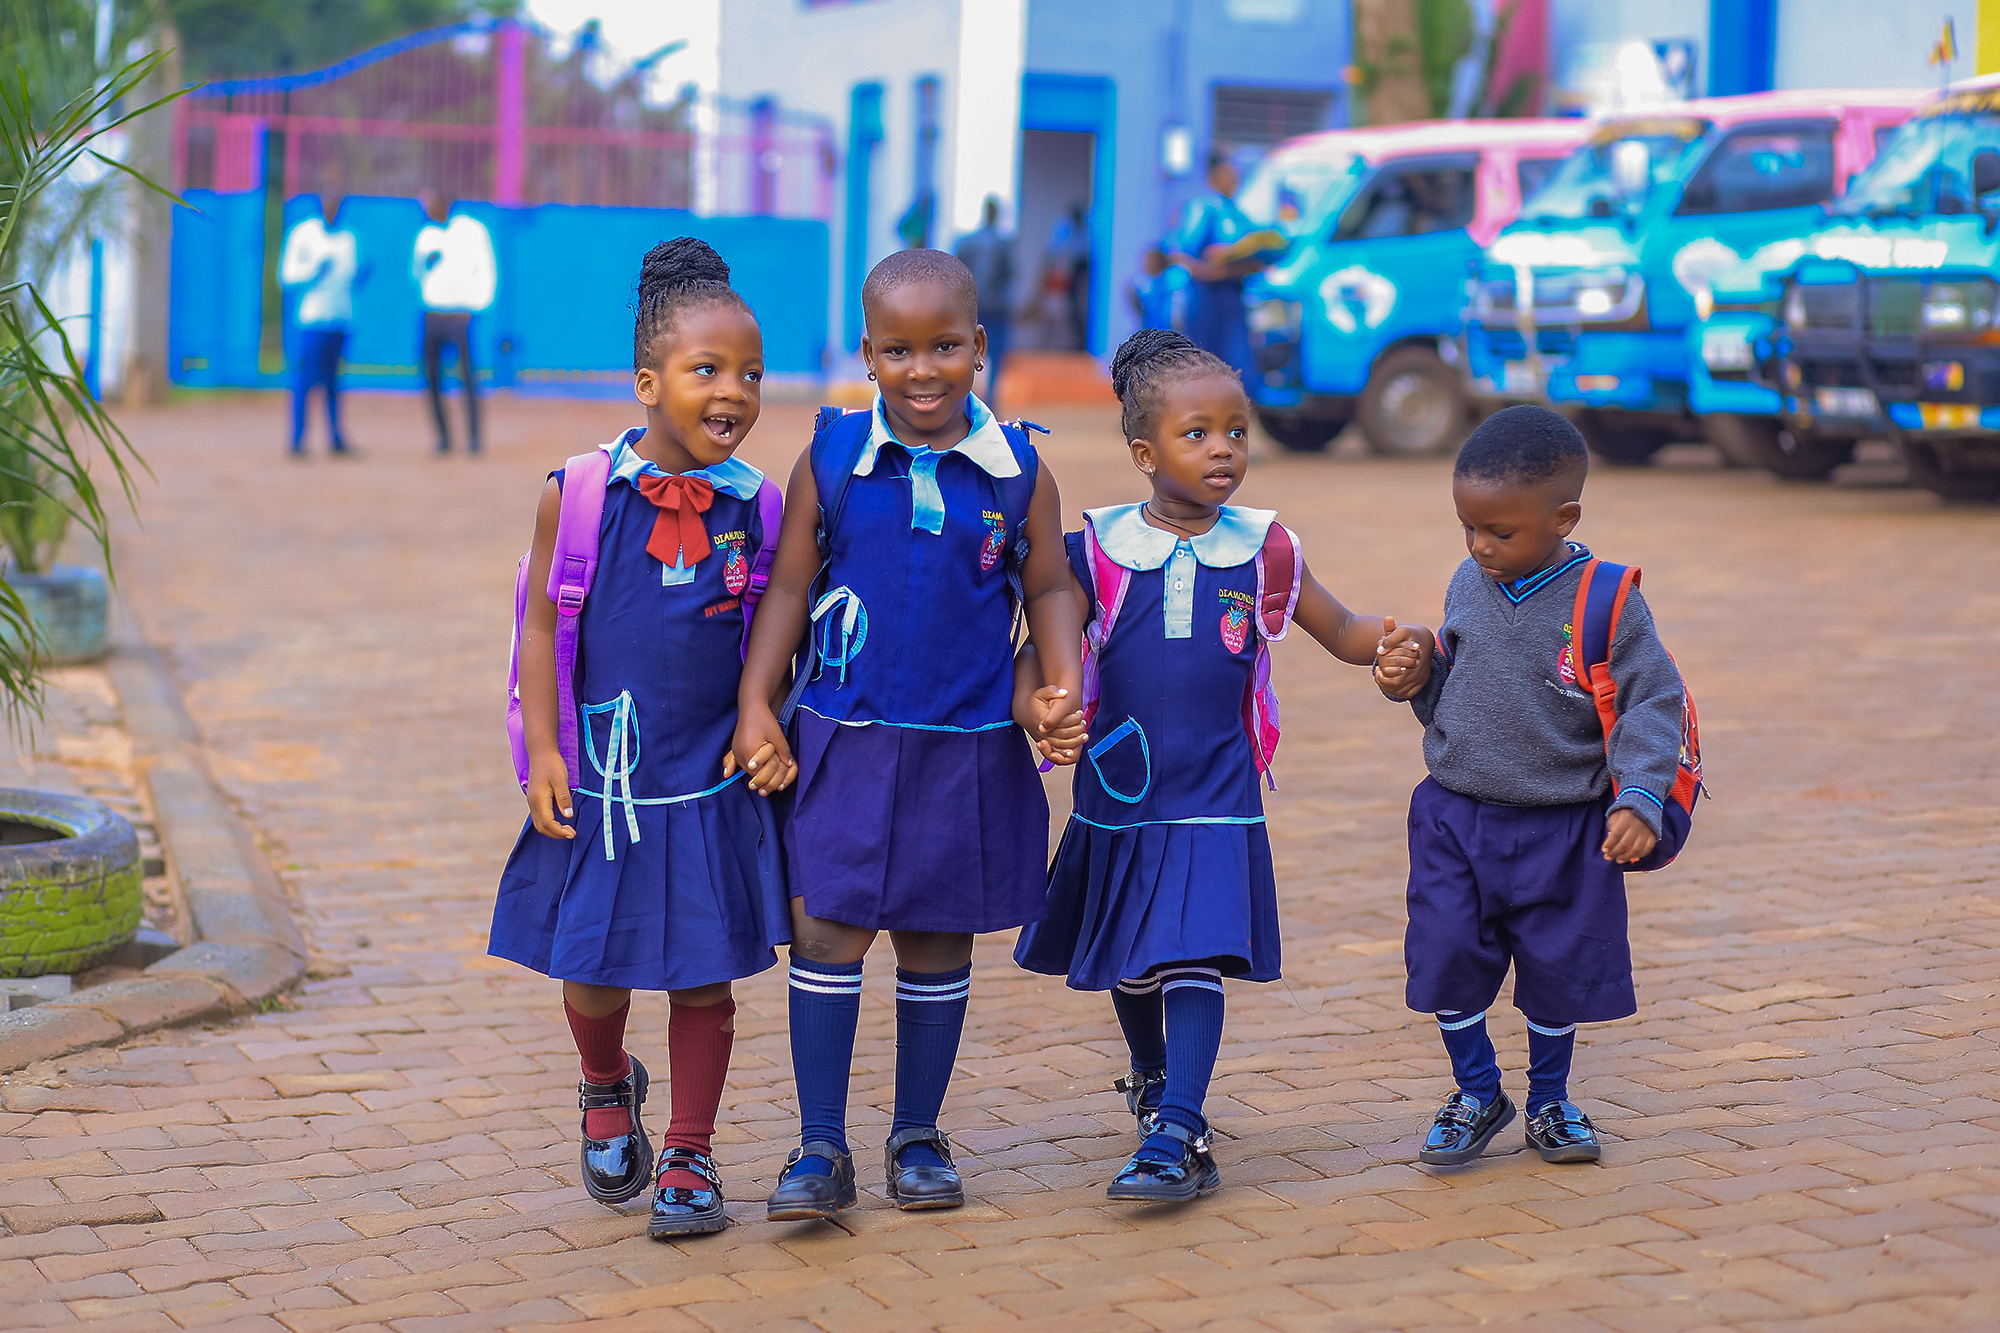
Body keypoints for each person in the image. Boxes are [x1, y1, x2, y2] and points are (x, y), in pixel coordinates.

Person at [1012, 328, 1434, 1202]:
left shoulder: (1264, 546)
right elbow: (1036, 658)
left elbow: (1343, 626)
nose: (1223, 451)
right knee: (1130, 960)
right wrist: (1041, 707)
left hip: (1217, 790)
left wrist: (1397, 649)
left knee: (1193, 950)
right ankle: (1152, 1077)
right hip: (1120, 793)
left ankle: (1180, 1128)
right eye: (1197, 433)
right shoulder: (1094, 547)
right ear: (1143, 451)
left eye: (1236, 432)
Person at [732, 248, 1087, 1222]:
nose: (921, 370)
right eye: (898, 350)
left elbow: (1050, 585)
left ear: (978, 347)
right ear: (867, 353)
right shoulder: (835, 458)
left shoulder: (1017, 471)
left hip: (964, 743)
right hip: (844, 738)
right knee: (827, 927)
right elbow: (789, 589)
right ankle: (818, 1145)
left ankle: (918, 1133)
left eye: (943, 348)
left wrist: (1061, 681)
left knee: (936, 938)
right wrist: (757, 701)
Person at [489, 237, 791, 1240]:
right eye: (707, 372)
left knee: (702, 969)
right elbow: (540, 624)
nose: (733, 392)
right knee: (594, 964)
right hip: (602, 783)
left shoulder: (758, 507)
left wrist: (764, 718)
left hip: (704, 781)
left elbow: (776, 631)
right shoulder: (576, 495)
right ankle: (605, 1079)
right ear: (647, 381)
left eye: (749, 373)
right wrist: (541, 748)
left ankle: (692, 1154)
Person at [1388, 405, 1687, 1167]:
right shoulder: (1469, 578)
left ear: (1564, 518)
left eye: (1500, 532)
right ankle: (1477, 1090)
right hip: (1456, 816)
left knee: (1559, 969)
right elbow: (1455, 684)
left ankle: (1551, 1101)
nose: (1481, 548)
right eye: (1469, 529)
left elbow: (1653, 702)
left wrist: (1640, 797)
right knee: (1447, 951)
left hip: (1564, 828)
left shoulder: (1607, 599)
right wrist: (1417, 675)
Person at [1165, 151, 1265, 380]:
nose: (1235, 178)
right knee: (1204, 365)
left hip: (1233, 296)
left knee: (1238, 366)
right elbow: (1179, 252)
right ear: (1214, 175)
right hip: (1207, 299)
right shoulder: (1204, 209)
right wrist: (1208, 273)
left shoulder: (1238, 213)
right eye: (1229, 172)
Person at [277, 186, 361, 456]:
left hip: (339, 318)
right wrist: (313, 271)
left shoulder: (348, 237)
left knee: (333, 382)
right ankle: (298, 439)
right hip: (312, 319)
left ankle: (336, 438)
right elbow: (286, 276)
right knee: (304, 380)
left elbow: (352, 276)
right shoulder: (303, 234)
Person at [412, 192, 496, 453]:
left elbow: (485, 269)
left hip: (460, 316)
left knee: (467, 377)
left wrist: (476, 306)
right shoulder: (426, 235)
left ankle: (473, 438)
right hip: (432, 314)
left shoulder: (472, 231)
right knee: (433, 377)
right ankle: (443, 438)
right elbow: (415, 273)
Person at [953, 195, 1014, 414]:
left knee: (965, 354)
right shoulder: (1003, 245)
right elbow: (1010, 275)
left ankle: (964, 402)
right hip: (996, 308)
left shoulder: (967, 243)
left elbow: (956, 273)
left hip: (972, 307)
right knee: (995, 357)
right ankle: (990, 403)